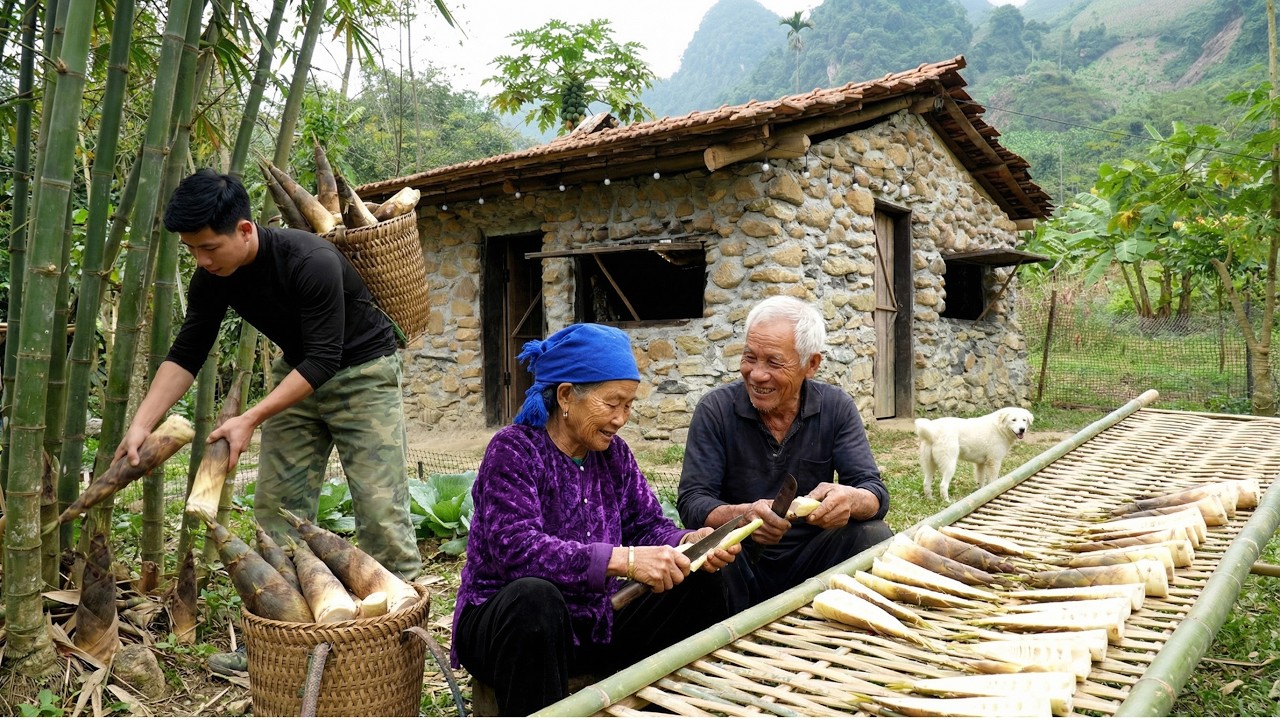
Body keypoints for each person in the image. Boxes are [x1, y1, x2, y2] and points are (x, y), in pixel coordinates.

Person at [115, 170, 422, 668]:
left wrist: (249, 418)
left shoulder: (310, 260)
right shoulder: (213, 276)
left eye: (209, 247)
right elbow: (188, 350)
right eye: (192, 250)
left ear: (244, 229)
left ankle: (400, 642)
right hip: (296, 373)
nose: (201, 260)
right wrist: (141, 423)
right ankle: (280, 643)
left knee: (381, 510)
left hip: (363, 371)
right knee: (276, 513)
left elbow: (325, 358)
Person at [452, 323, 742, 716]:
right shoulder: (514, 450)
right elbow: (518, 551)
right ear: (566, 396)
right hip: (508, 627)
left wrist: (687, 543)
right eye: (612, 403)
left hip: (595, 621)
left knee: (702, 582)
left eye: (629, 405)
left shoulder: (614, 455)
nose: (621, 418)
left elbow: (648, 525)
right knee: (535, 599)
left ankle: (668, 709)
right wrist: (625, 560)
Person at [678, 295, 892, 614]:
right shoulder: (716, 410)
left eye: (774, 363)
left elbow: (873, 491)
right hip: (739, 560)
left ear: (811, 365)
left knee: (874, 535)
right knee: (708, 559)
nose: (757, 374)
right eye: (750, 358)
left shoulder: (836, 408)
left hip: (814, 558)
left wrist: (851, 499)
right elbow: (692, 502)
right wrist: (744, 516)